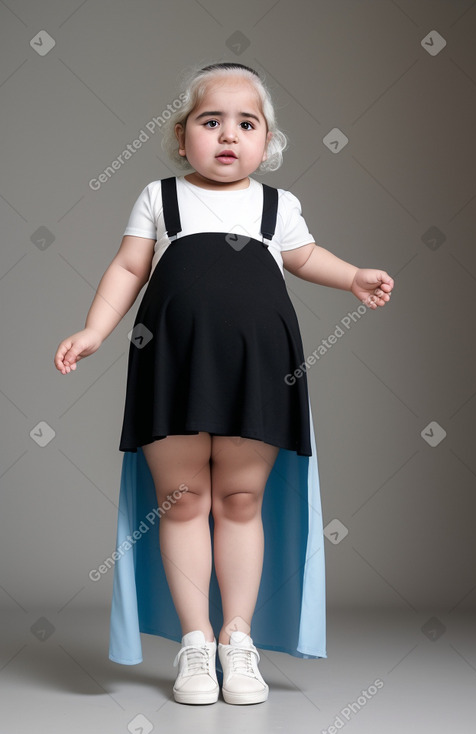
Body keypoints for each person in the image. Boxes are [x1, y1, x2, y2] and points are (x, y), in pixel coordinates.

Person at [54, 61, 394, 706]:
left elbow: (303, 256)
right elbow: (130, 266)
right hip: (171, 362)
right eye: (212, 122)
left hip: (260, 368)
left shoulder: (276, 205)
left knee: (240, 500)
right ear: (183, 137)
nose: (228, 135)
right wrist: (95, 330)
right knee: (182, 500)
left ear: (267, 143)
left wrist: (352, 276)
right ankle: (195, 642)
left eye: (247, 123)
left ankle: (238, 643)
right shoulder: (163, 198)